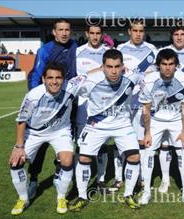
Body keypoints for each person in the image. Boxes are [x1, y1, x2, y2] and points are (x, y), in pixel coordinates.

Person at [69, 49, 142, 210]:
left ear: (123, 66)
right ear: (102, 67)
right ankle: (82, 197)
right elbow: (68, 89)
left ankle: (128, 194)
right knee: (84, 159)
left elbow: (148, 77)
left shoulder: (132, 77)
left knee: (134, 157)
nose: (114, 71)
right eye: (109, 66)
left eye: (117, 66)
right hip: (97, 125)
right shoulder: (90, 81)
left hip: (122, 125)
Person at [9, 62, 84, 215]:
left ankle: (61, 197)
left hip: (60, 131)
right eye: (50, 77)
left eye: (58, 78)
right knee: (15, 163)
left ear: (64, 79)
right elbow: (21, 120)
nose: (54, 81)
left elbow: (89, 75)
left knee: (67, 160)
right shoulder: (33, 96)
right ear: (43, 79)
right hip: (34, 133)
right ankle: (23, 198)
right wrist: (19, 146)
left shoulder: (70, 87)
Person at [26, 19, 78, 200]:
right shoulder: (45, 50)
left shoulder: (76, 47)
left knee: (65, 140)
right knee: (40, 144)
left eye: (67, 30)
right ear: (54, 32)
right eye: (60, 30)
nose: (64, 33)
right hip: (45, 105)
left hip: (68, 104)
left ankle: (58, 170)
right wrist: (35, 100)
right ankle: (33, 179)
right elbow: (35, 75)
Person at [139, 48, 184, 206]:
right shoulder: (149, 80)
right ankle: (146, 192)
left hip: (177, 120)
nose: (168, 67)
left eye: (171, 64)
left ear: (176, 65)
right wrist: (148, 132)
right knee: (148, 152)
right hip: (156, 120)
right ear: (158, 66)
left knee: (182, 153)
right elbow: (146, 109)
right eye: (164, 64)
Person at [115, 19, 157, 191]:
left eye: (141, 30)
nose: (138, 33)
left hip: (142, 104)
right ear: (129, 31)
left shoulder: (152, 50)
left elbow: (155, 75)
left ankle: (140, 176)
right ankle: (118, 178)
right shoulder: (120, 50)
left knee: (141, 142)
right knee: (120, 141)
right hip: (123, 104)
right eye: (135, 30)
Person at [75, 24, 110, 192]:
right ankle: (80, 179)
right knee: (82, 143)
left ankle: (101, 179)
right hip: (82, 103)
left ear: (102, 35)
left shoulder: (108, 52)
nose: (95, 36)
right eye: (92, 33)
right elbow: (75, 78)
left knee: (102, 144)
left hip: (102, 104)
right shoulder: (78, 51)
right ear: (86, 34)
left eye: (98, 33)